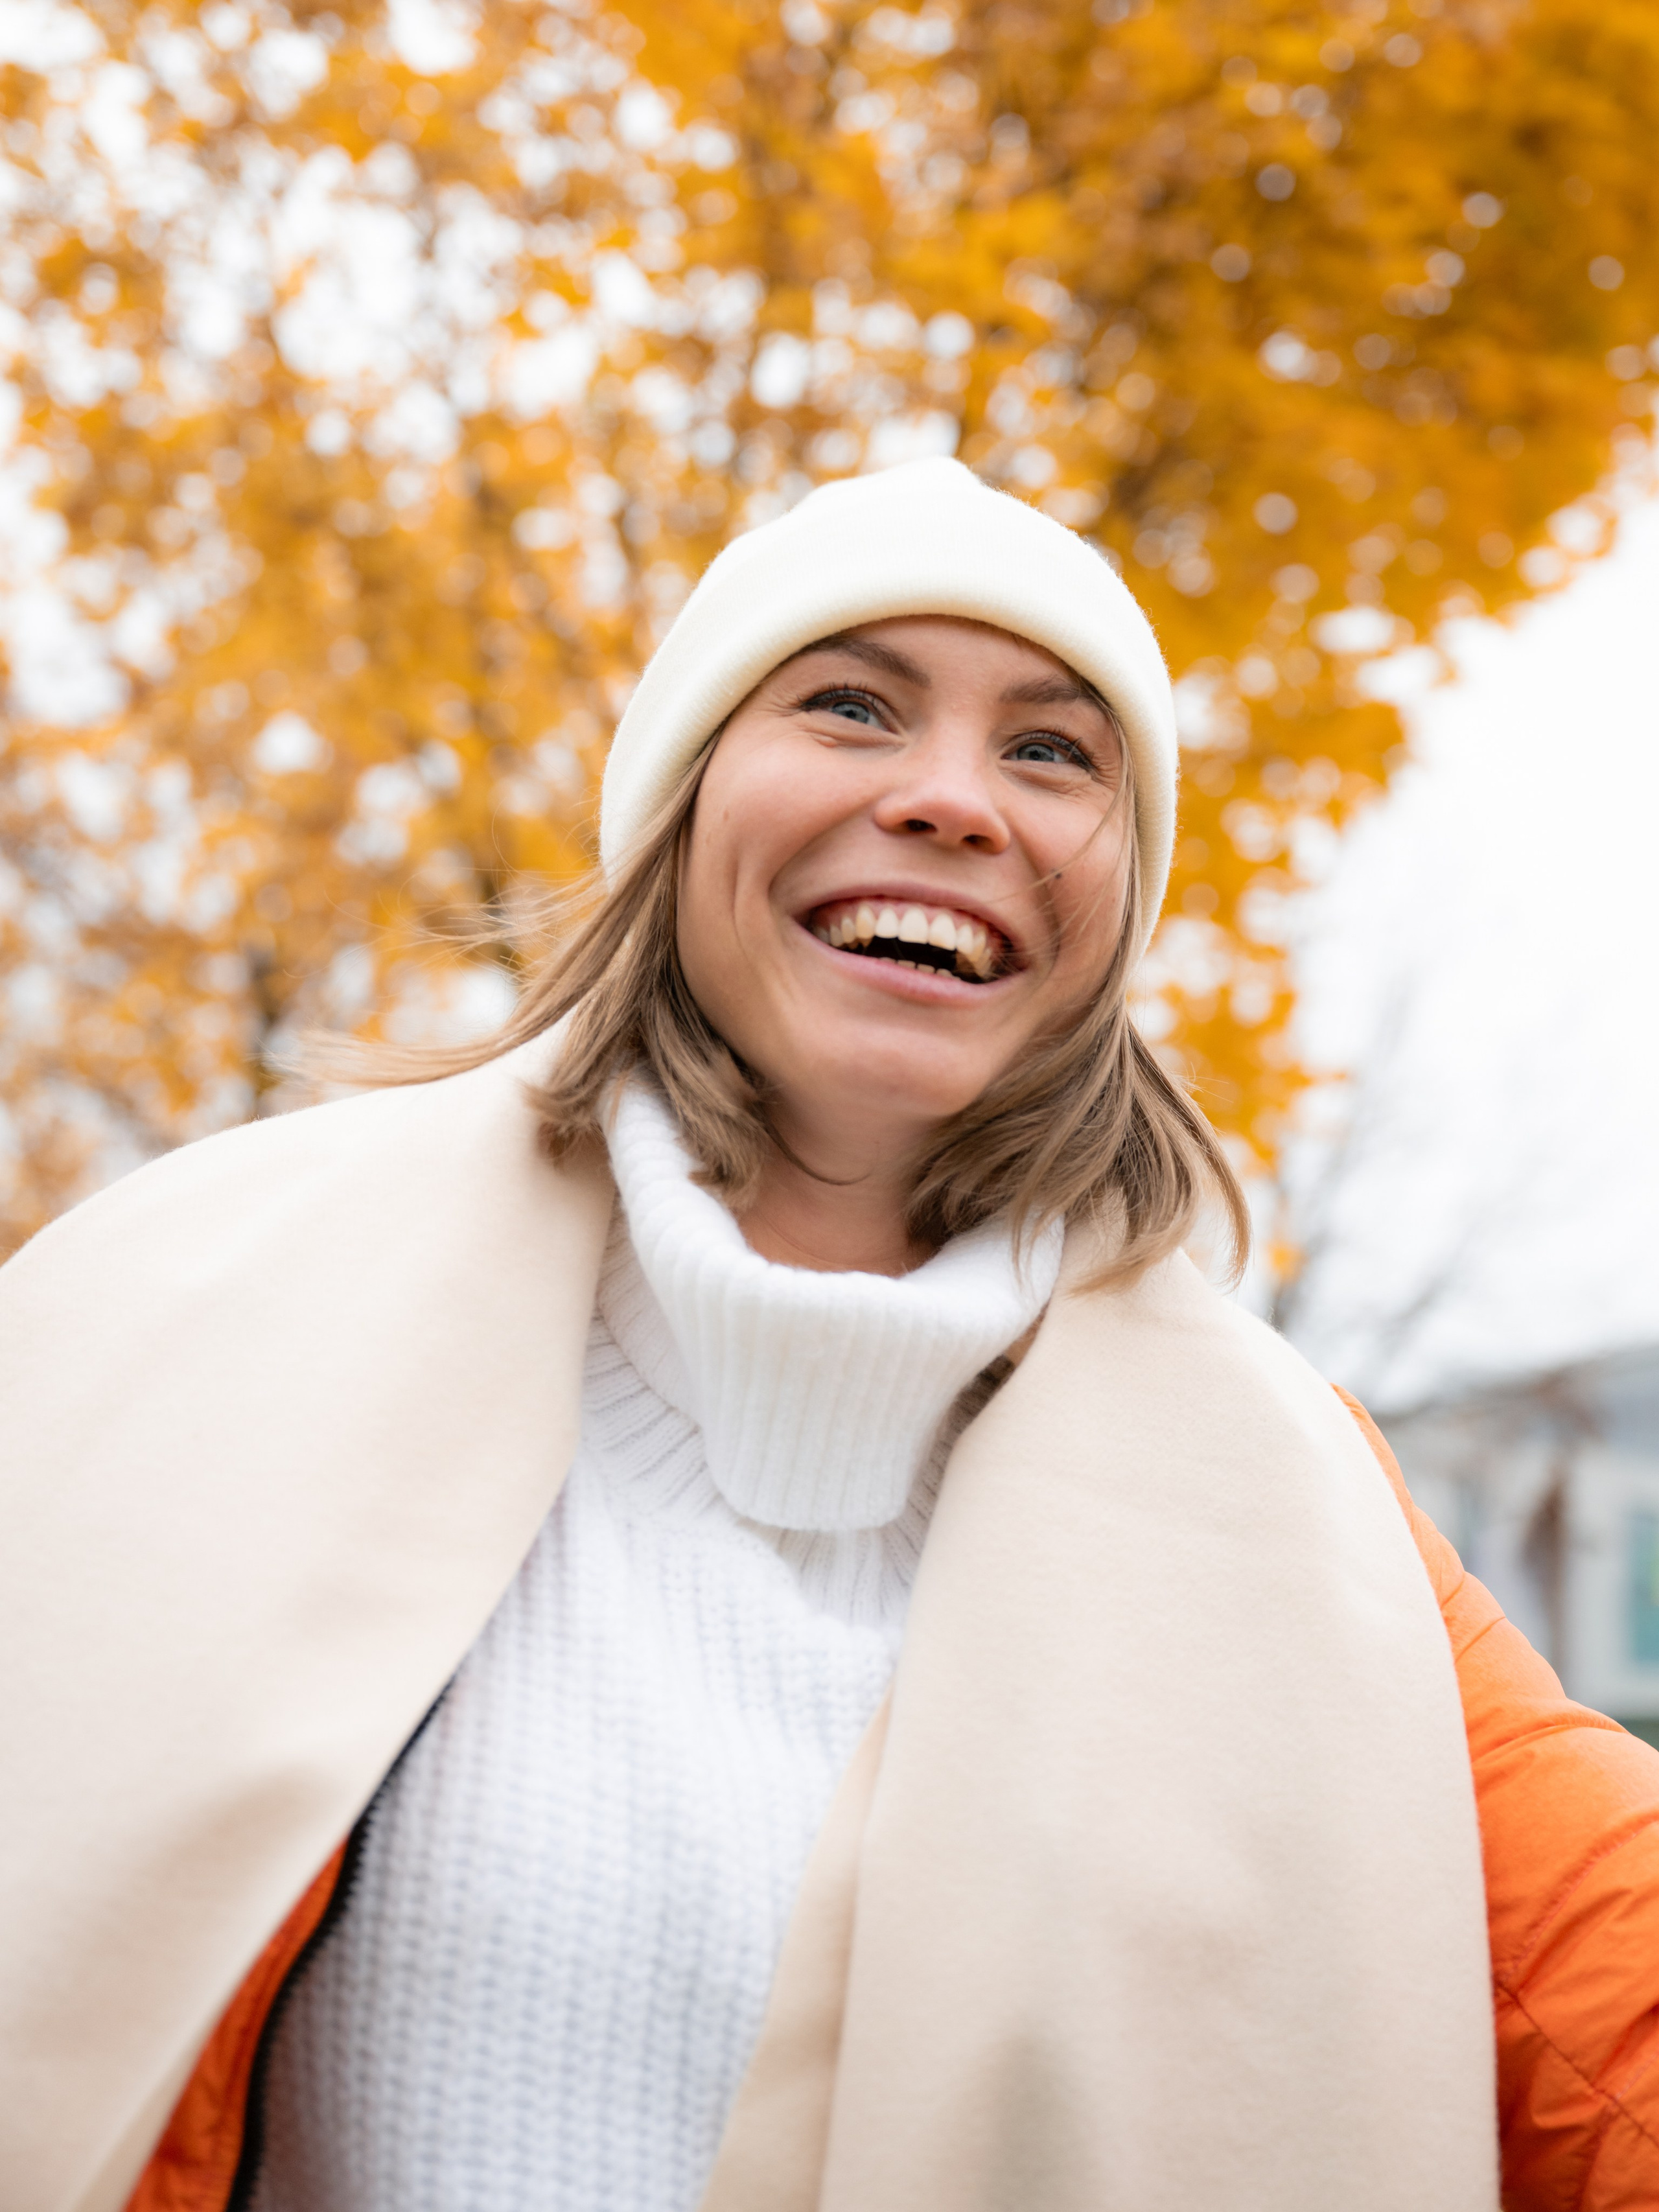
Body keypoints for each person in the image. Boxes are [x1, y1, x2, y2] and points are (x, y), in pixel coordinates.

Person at [1, 458, 1655, 2212]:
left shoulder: (1319, 1539)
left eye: (1051, 750)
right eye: (851, 705)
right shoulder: (182, 1317)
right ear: (683, 805)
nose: (952, 800)